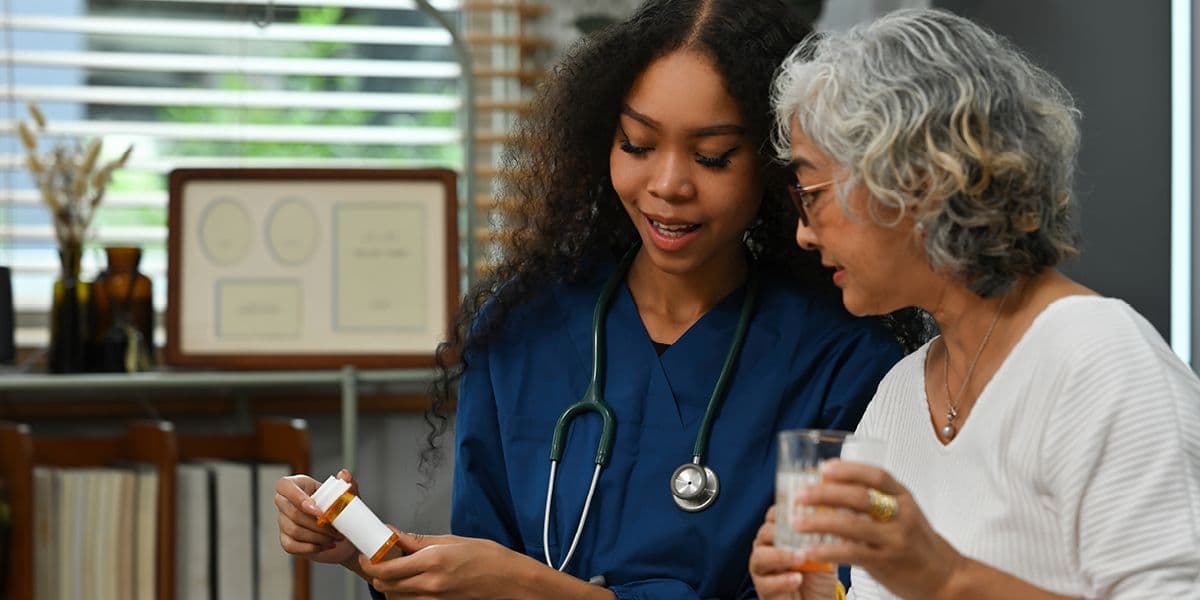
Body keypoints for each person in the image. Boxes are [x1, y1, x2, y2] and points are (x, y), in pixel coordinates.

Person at [276, 1, 913, 598]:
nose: (667, 185)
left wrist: (541, 591)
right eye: (637, 145)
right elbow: (481, 571)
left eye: (713, 157)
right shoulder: (521, 328)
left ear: (777, 164)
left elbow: (845, 591)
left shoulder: (846, 361)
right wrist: (383, 553)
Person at [751, 8, 1200, 600]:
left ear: (916, 180)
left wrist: (947, 579)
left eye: (812, 192)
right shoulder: (900, 395)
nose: (804, 233)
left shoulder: (1104, 363)